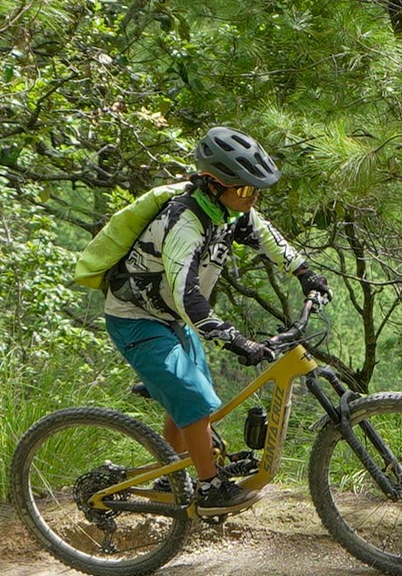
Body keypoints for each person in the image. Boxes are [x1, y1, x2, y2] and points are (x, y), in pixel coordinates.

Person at [91, 126, 314, 509]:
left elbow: (268, 238)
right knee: (194, 396)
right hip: (135, 318)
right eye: (244, 190)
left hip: (169, 317)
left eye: (256, 190)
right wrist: (236, 340)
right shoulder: (185, 222)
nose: (252, 197)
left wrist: (306, 274)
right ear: (213, 184)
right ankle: (209, 489)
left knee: (195, 401)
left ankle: (170, 479)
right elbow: (187, 296)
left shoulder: (230, 211)